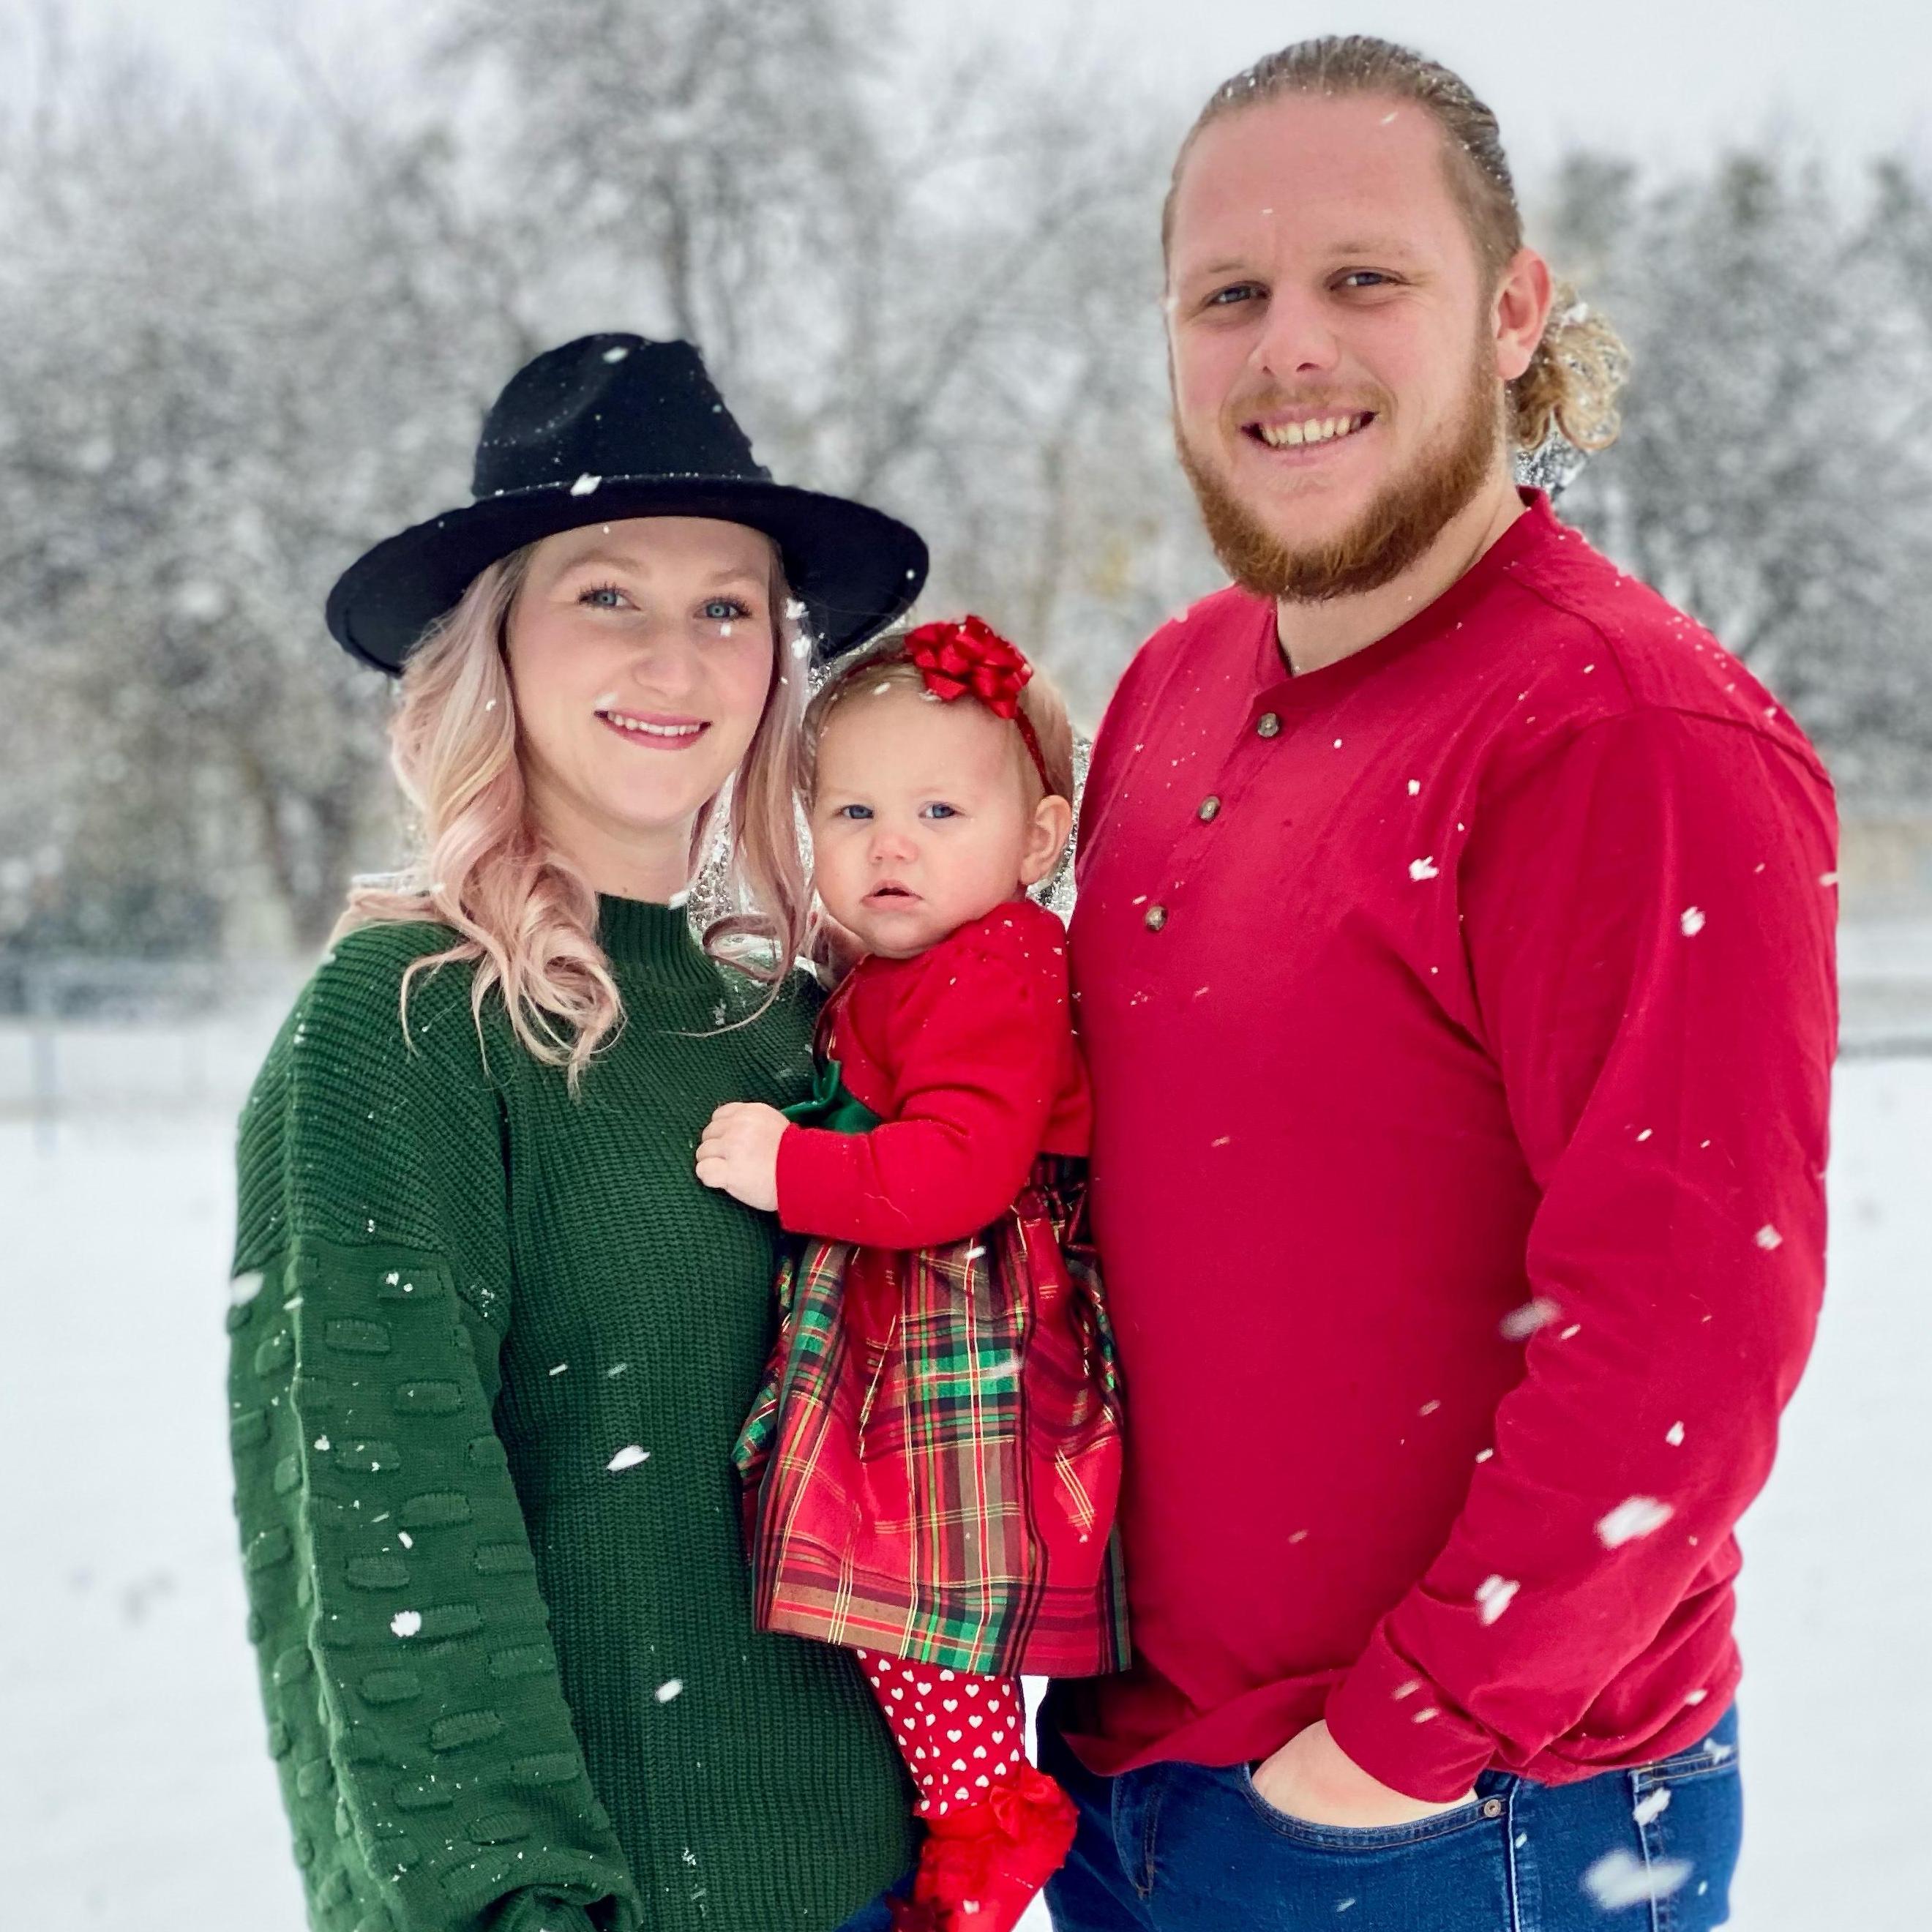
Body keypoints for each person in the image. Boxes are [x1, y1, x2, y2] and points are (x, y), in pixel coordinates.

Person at [1044, 36, 1838, 1932]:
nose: (1289, 347)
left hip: (1461, 1824)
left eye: (1362, 277)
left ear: (1511, 311)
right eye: (1228, 295)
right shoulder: (1173, 685)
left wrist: (1399, 1747)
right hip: (1134, 1789)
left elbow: (1689, 1337)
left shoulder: (1625, 736)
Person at [225, 332, 936, 1932]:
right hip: (613, 1902)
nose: (675, 662)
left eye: (728, 608)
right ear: (495, 643)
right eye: (608, 594)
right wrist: (518, 1907)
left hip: (882, 1882)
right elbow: (386, 1542)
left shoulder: (796, 1022)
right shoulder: (407, 1025)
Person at [697, 617, 1129, 1931]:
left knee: (919, 1595)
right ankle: (968, 1809)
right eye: (856, 811)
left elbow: (956, 1172)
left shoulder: (1002, 960)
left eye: (941, 812)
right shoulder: (911, 960)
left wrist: (790, 1166)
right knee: (899, 1592)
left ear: (1038, 842)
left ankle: (987, 1820)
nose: (893, 847)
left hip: (965, 1317)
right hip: (920, 1305)